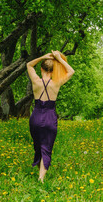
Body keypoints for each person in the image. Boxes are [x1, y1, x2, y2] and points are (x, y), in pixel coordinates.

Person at [26, 50, 75, 182]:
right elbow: (71, 72)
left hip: (35, 117)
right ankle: (41, 178)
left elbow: (29, 65)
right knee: (46, 148)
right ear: (53, 71)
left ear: (41, 69)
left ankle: (40, 175)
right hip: (49, 118)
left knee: (38, 146)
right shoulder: (56, 83)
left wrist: (42, 56)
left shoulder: (36, 81)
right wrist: (59, 59)